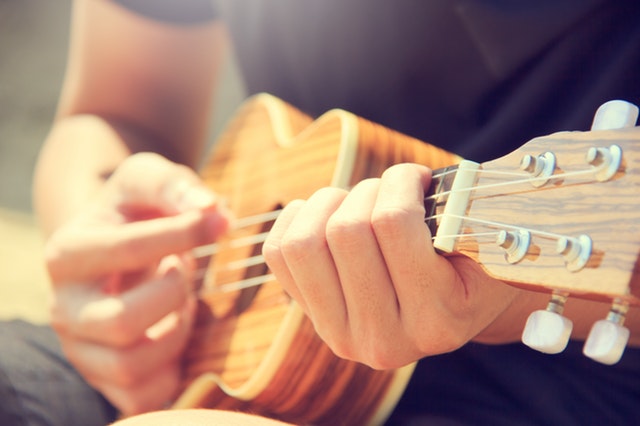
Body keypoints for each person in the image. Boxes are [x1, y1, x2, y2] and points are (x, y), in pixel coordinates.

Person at [1, 0, 639, 425]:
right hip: (205, 350)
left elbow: (616, 219)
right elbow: (118, 111)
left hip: (562, 396)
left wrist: (501, 296)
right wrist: (105, 270)